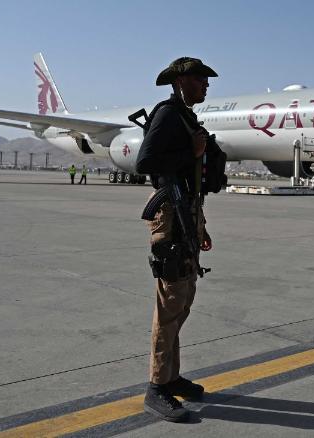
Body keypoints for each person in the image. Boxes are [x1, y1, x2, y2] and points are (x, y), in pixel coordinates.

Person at [135, 57, 218, 423]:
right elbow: (146, 161)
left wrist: (200, 227)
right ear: (182, 80)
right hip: (169, 218)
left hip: (186, 215)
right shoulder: (168, 114)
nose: (206, 85)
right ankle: (156, 387)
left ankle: (170, 377)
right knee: (170, 303)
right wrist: (193, 153)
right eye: (201, 79)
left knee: (183, 300)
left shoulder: (186, 116)